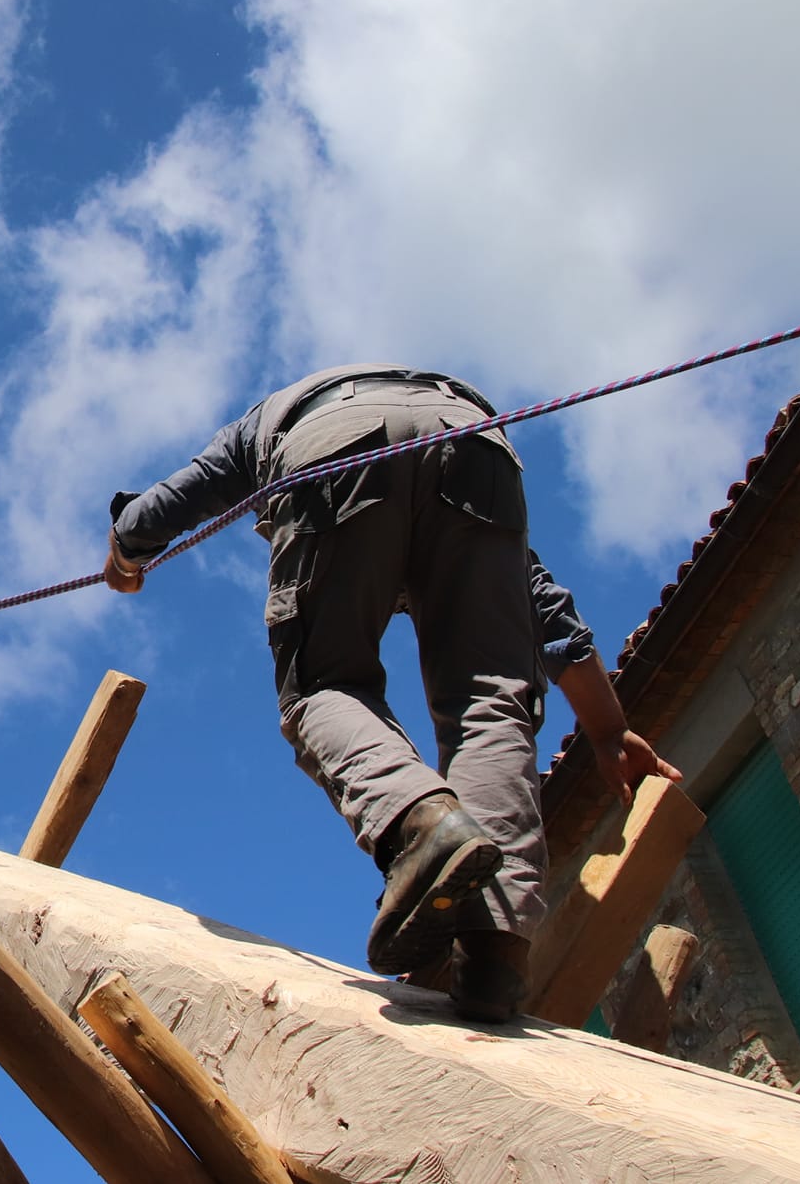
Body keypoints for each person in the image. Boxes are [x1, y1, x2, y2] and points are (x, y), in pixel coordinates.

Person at [102, 364, 680, 1021]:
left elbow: (183, 494)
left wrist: (125, 549)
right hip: (474, 437)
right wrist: (606, 727)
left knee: (322, 686)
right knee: (489, 697)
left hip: (331, 438)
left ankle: (421, 825)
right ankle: (495, 950)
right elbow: (545, 606)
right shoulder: (428, 409)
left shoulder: (261, 421)